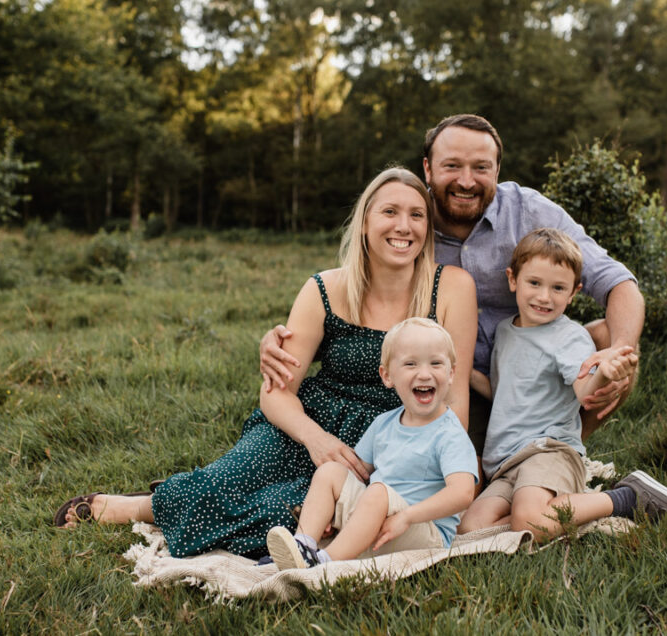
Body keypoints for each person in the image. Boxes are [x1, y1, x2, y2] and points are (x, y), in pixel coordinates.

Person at [53, 167, 478, 560]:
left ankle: (171, 505)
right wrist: (316, 439)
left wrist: (405, 467)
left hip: (385, 442)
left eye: (417, 215)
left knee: (284, 511)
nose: (404, 226)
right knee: (228, 478)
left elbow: (455, 406)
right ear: (365, 221)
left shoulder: (452, 288)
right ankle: (143, 506)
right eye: (390, 211)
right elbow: (277, 391)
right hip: (307, 421)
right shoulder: (324, 288)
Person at [259, 114, 645, 474]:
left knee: (609, 341)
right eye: (452, 166)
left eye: (480, 167)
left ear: (496, 170)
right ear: (427, 168)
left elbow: (619, 283)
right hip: (458, 382)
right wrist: (282, 337)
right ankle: (501, 467)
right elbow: (358, 288)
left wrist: (621, 353)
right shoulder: (410, 218)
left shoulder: (529, 213)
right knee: (468, 478)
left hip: (532, 370)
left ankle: (560, 456)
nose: (466, 180)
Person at [457, 229, 667, 539]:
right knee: (470, 529)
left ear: (573, 293)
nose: (544, 297)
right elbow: (502, 392)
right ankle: (549, 515)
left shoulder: (568, 337)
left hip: (548, 451)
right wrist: (461, 371)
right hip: (504, 464)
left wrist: (604, 373)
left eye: (558, 288)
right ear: (513, 279)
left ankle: (627, 498)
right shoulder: (505, 330)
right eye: (534, 283)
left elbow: (585, 391)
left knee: (530, 522)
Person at [266, 318, 478, 569]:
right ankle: (304, 545)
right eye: (410, 364)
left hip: (423, 531)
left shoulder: (449, 434)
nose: (424, 373)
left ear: (451, 373)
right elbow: (359, 472)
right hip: (381, 518)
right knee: (331, 472)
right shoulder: (384, 423)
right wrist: (332, 507)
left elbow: (463, 493)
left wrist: (408, 516)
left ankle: (324, 562)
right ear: (387, 376)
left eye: (436, 363)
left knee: (378, 492)